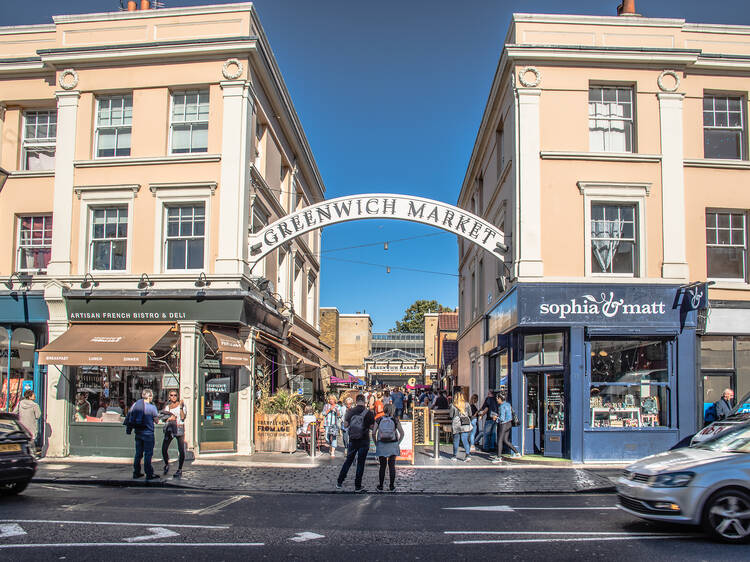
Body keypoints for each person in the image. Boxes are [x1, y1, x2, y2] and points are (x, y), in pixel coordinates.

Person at [336, 394, 375, 492]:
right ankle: (358, 486)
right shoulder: (369, 413)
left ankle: (339, 482)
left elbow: (345, 425)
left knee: (349, 460)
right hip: (364, 439)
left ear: (356, 401)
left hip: (353, 439)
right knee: (361, 463)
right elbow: (372, 427)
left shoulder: (350, 411)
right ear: (364, 401)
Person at [124, 389, 160, 481]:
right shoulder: (152, 407)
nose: (152, 398)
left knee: (138, 454)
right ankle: (149, 473)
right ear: (149, 397)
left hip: (138, 433)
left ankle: (136, 472)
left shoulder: (135, 405)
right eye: (151, 396)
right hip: (148, 433)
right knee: (148, 454)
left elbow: (129, 416)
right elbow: (156, 421)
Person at [373, 403, 404, 491]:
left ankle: (381, 486)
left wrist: (376, 443)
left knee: (382, 466)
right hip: (392, 444)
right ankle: (391, 486)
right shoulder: (395, 420)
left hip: (381, 444)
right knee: (392, 466)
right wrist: (398, 443)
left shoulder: (379, 419)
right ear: (392, 410)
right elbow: (402, 433)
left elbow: (373, 433)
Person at [161, 390, 187, 478]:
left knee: (181, 449)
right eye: (171, 395)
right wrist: (169, 418)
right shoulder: (167, 407)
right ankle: (166, 464)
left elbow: (183, 417)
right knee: (164, 448)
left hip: (179, 427)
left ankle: (179, 469)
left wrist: (180, 407)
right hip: (170, 428)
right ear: (169, 397)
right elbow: (164, 418)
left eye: (175, 395)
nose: (173, 397)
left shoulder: (181, 405)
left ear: (178, 396)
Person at [494, 392, 520, 462]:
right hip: (509, 423)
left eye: (497, 398)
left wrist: (496, 418)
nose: (496, 400)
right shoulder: (508, 404)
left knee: (500, 440)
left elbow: (502, 418)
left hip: (503, 424)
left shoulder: (501, 406)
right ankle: (517, 452)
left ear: (500, 399)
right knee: (505, 440)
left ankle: (499, 457)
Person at [450, 393, 473, 461]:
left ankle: (454, 456)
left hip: (456, 423)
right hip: (465, 423)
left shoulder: (453, 405)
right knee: (465, 439)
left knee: (456, 440)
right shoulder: (467, 404)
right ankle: (467, 455)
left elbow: (451, 415)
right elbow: (470, 414)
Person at [479, 389, 499, 454]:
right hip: (496, 417)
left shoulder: (488, 399)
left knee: (486, 433)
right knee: (493, 433)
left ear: (490, 393)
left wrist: (481, 415)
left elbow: (485, 408)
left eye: (488, 393)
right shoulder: (497, 399)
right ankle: (492, 447)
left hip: (489, 418)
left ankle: (486, 447)